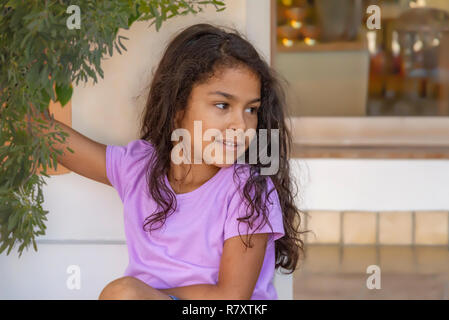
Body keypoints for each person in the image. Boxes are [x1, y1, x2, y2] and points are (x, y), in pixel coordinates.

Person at [32, 23, 307, 300]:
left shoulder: (250, 190)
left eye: (251, 109)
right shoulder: (139, 167)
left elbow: (232, 297)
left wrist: (144, 294)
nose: (242, 124)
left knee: (122, 294)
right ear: (177, 108)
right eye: (223, 105)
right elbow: (51, 137)